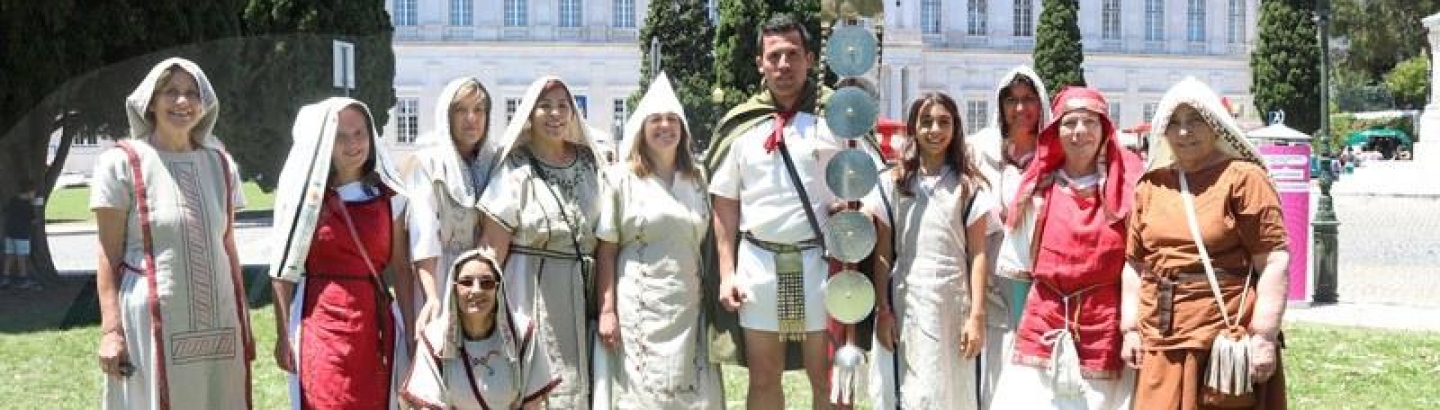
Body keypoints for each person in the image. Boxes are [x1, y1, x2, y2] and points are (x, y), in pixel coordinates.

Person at [707, 13, 878, 409]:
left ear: (811, 59)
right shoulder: (743, 126)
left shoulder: (837, 120)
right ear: (760, 63)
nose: (783, 65)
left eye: (792, 55)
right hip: (759, 265)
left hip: (822, 266)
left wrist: (859, 210)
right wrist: (728, 271)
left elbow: (873, 184)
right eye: (774, 56)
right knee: (764, 381)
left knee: (829, 383)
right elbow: (725, 204)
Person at [92, 57, 253, 409]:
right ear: (151, 100)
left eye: (192, 93)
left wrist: (243, 318)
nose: (183, 102)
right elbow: (107, 253)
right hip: (151, 323)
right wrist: (111, 331)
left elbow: (227, 245)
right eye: (171, 92)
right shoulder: (121, 162)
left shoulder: (221, 164)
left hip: (220, 323)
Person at [1124, 77, 1290, 409]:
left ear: (1215, 125)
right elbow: (1134, 265)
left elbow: (1273, 260)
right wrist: (1130, 328)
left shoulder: (1244, 178)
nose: (1184, 132)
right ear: (1163, 131)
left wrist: (1264, 336)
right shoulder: (1150, 186)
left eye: (1195, 120)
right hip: (1161, 335)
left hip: (1222, 340)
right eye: (1175, 122)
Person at [989, 87, 1140, 409]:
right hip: (1044, 316)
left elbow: (1136, 265)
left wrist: (1132, 326)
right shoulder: (1038, 191)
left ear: (1104, 131)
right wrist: (1020, 327)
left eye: (1090, 122)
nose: (1080, 132)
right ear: (1057, 131)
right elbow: (1017, 270)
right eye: (1070, 123)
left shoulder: (1126, 195)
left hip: (1105, 320)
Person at [268, 97, 414, 409]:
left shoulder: (391, 199)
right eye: (341, 136)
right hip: (319, 319)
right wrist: (282, 335)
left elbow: (402, 269)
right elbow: (283, 268)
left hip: (373, 326)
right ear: (324, 142)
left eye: (359, 133)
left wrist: (412, 334)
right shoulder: (306, 201)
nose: (353, 144)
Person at [593, 73, 724, 409]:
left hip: (689, 304)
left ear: (682, 129)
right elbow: (606, 251)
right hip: (639, 305)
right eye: (656, 120)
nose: (665, 126)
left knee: (691, 393)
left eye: (672, 120)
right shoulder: (620, 179)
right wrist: (607, 310)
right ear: (642, 128)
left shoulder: (698, 180)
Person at [864, 92, 997, 408]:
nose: (935, 130)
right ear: (913, 128)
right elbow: (882, 254)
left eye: (943, 122)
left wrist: (977, 315)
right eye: (926, 122)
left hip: (953, 299)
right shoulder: (893, 183)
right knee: (912, 387)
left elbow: (977, 254)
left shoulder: (968, 185)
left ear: (955, 128)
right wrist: (883, 309)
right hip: (906, 297)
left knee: (951, 387)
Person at [477, 75, 603, 408]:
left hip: (582, 294)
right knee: (537, 387)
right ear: (529, 115)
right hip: (529, 292)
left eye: (563, 106)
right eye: (544, 106)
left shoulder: (591, 165)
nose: (555, 114)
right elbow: (492, 249)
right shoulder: (515, 170)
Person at [966, 66, 1053, 406]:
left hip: (1039, 271)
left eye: (1029, 99)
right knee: (996, 360)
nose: (1020, 109)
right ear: (1000, 106)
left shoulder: (1056, 154)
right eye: (1012, 100)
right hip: (991, 271)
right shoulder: (979, 152)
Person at [402, 249, 560, 409]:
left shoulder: (522, 332)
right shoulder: (434, 339)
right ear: (454, 288)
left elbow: (532, 404)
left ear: (498, 289)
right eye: (466, 282)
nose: (476, 290)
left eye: (486, 283)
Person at [403, 77, 501, 331]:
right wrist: (431, 296)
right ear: (447, 116)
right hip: (440, 276)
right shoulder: (427, 163)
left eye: (479, 110)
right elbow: (423, 234)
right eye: (461, 110)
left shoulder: (496, 163)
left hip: (485, 282)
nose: (471, 118)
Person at [3, 187, 40, 291]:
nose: (34, 195)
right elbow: (34, 220)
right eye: (33, 192)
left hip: (10, 232)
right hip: (22, 234)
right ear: (29, 191)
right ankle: (24, 279)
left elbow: (6, 210)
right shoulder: (28, 205)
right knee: (22, 257)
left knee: (9, 255)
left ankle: (5, 278)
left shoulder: (12, 200)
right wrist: (34, 205)